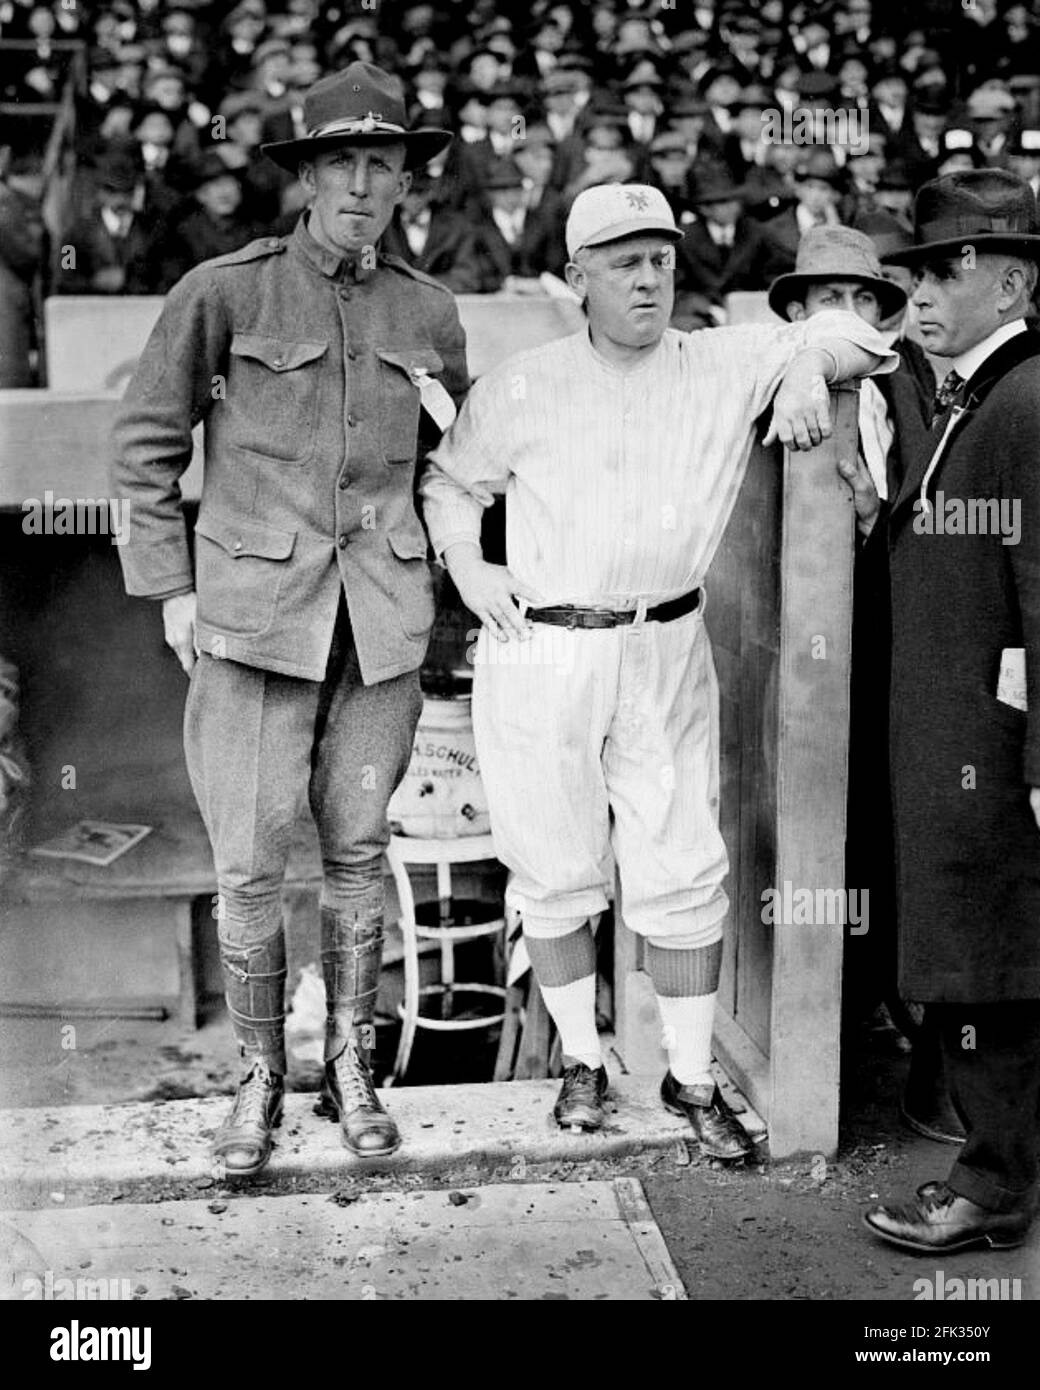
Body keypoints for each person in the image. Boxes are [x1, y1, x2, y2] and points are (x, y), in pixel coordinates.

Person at [420, 183, 897, 1158]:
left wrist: (806, 360)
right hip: (540, 644)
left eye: (659, 260)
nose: (645, 279)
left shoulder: (722, 359)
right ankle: (584, 1063)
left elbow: (862, 330)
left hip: (664, 643)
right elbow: (449, 482)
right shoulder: (526, 379)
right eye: (622, 261)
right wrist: (468, 564)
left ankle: (686, 1079)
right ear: (576, 276)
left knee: (683, 866)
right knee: (553, 869)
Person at [112, 62, 469, 1178]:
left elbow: (453, 463)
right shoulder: (224, 291)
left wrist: (446, 589)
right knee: (251, 858)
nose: (365, 184)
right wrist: (173, 589)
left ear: (407, 180)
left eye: (386, 164)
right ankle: (261, 1074)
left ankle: (351, 1066)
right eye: (343, 163)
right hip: (255, 620)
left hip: (381, 623)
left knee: (358, 850)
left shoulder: (429, 309)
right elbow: (143, 449)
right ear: (307, 176)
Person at [863, 169, 1040, 1252]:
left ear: (1012, 280)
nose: (919, 292)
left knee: (991, 960)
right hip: (949, 739)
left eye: (947, 269)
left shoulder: (1022, 399)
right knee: (981, 950)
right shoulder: (964, 389)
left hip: (990, 746)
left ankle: (992, 1185)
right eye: (914, 272)